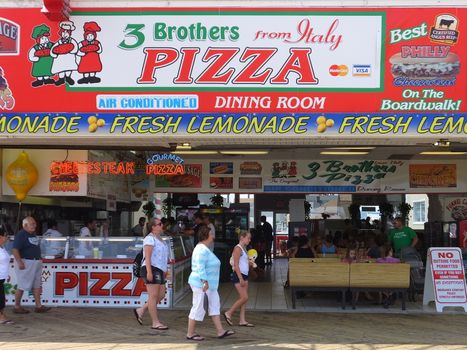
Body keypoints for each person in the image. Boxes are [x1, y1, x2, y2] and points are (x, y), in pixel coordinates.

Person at [186, 225, 234, 341]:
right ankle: (190, 333)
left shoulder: (204, 248)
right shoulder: (201, 249)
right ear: (206, 236)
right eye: (211, 234)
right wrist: (205, 281)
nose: (213, 236)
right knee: (198, 306)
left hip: (210, 285)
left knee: (214, 305)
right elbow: (200, 267)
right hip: (201, 284)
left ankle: (220, 331)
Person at [134, 218, 170, 330]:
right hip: (152, 269)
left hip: (160, 269)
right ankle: (155, 322)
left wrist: (166, 271)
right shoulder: (149, 239)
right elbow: (148, 257)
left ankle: (141, 309)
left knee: (161, 295)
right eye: (159, 224)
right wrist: (149, 272)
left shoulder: (159, 238)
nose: (162, 225)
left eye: (161, 223)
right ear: (153, 227)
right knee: (153, 296)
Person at [11, 216, 51, 314]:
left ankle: (38, 306)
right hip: (26, 262)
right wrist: (19, 261)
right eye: (32, 224)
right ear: (25, 225)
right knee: (22, 285)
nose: (35, 225)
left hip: (35, 262)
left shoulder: (33, 234)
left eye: (35, 223)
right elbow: (14, 249)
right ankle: (17, 306)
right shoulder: (21, 235)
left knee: (36, 285)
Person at [224, 231, 254, 328]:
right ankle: (228, 313)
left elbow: (243, 262)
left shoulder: (244, 248)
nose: (249, 240)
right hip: (239, 275)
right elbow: (236, 264)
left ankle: (242, 320)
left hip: (244, 275)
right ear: (242, 237)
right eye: (248, 238)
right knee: (244, 297)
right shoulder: (237, 248)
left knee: (244, 299)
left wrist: (250, 264)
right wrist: (240, 278)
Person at [0, 225, 14, 324]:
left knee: (1, 297)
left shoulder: (2, 248)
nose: (7, 238)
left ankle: (1, 315)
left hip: (2, 276)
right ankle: (1, 317)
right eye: (5, 235)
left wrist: (6, 274)